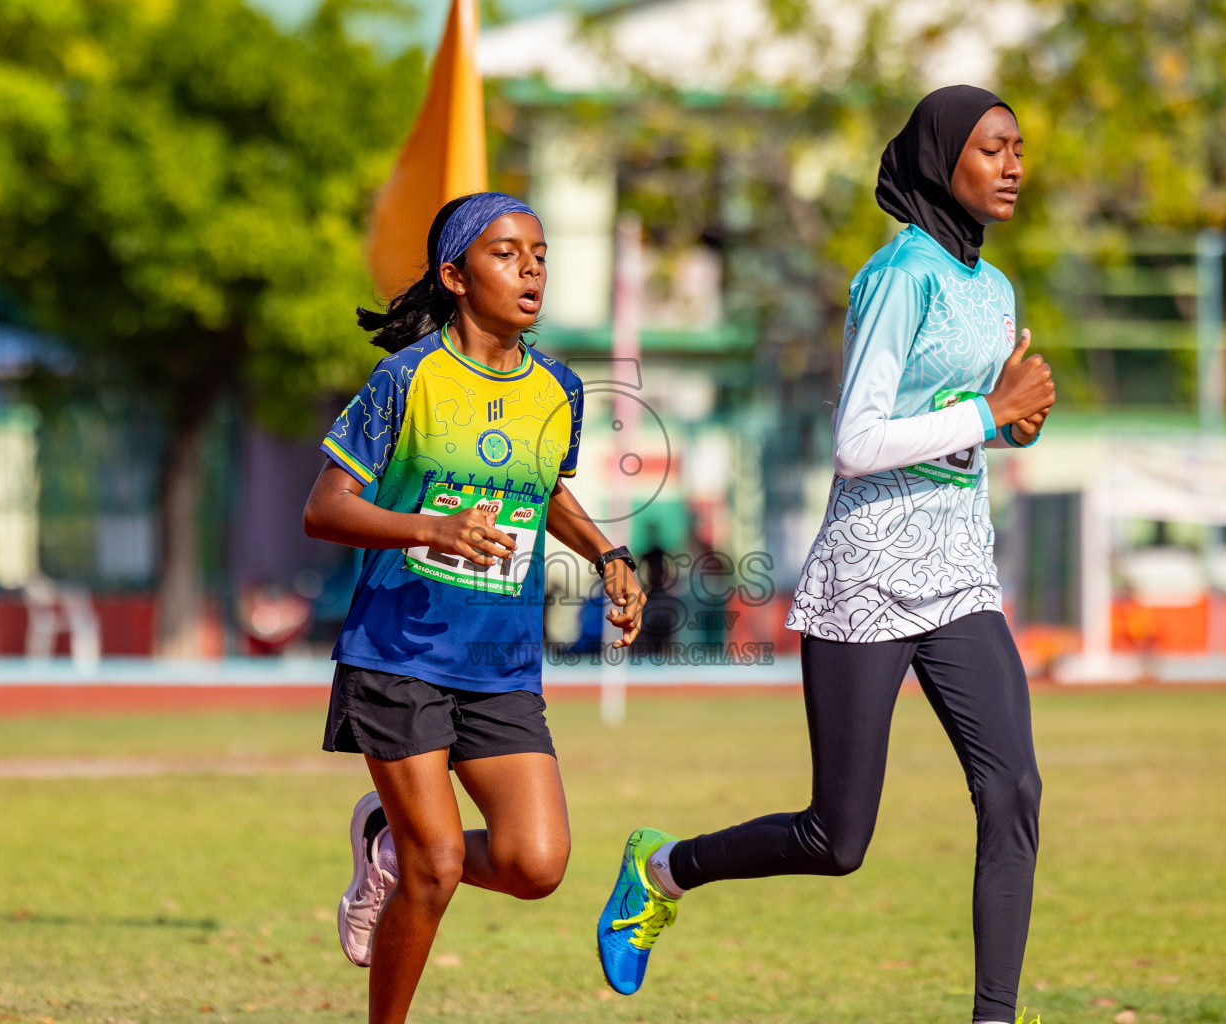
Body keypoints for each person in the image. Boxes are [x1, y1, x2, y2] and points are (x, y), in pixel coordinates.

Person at [595, 86, 1055, 1024]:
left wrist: (1013, 426)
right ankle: (659, 871)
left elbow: (962, 434)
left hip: (959, 566)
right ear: (940, 159)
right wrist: (986, 413)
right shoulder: (901, 274)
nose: (1012, 166)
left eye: (1018, 149)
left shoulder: (996, 289)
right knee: (837, 837)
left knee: (1012, 789)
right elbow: (857, 439)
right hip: (868, 573)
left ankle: (994, 1018)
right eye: (993, 148)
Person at [304, 192, 646, 1024]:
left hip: (500, 662)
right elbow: (324, 509)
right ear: (454, 276)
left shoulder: (559, 387)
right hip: (398, 652)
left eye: (538, 253)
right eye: (505, 252)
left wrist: (606, 554)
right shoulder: (407, 377)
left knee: (536, 863)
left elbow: (544, 492)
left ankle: (385, 838)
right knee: (439, 865)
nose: (530, 268)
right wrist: (431, 527)